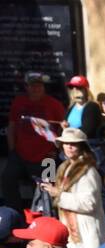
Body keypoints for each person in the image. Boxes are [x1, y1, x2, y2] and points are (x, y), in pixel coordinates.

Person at [40, 128, 105, 248]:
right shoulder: (64, 168)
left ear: (82, 146)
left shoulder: (88, 172)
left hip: (87, 236)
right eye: (66, 143)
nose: (69, 147)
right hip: (72, 235)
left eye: (73, 144)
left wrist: (59, 194)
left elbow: (89, 204)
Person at [4, 72, 64, 210]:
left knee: (48, 188)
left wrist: (56, 149)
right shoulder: (18, 102)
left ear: (43, 87)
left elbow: (62, 128)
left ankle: (48, 217)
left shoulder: (54, 104)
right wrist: (12, 150)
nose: (36, 88)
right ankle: (14, 212)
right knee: (7, 178)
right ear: (27, 87)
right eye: (32, 85)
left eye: (39, 85)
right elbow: (11, 126)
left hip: (47, 156)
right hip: (19, 155)